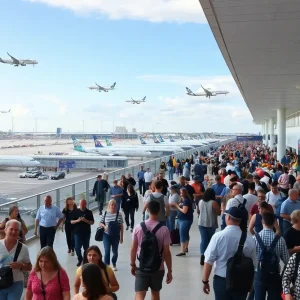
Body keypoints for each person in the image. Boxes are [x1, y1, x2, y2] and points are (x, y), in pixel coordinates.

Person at [202, 207, 257, 300]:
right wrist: (251, 284)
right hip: (242, 281)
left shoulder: (218, 237)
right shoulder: (250, 239)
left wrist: (205, 281)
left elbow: (209, 261)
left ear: (228, 218)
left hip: (222, 280)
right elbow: (254, 264)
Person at [130, 200, 173, 300]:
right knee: (155, 293)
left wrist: (132, 264)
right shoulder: (164, 229)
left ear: (148, 210)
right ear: (159, 211)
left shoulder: (138, 228)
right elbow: (167, 253)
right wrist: (169, 270)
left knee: (140, 294)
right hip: (158, 267)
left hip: (142, 266)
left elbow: (133, 248)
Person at [253, 212, 289, 300]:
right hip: (274, 275)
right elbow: (287, 261)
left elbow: (251, 259)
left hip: (259, 274)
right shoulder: (280, 240)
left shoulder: (255, 238)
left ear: (262, 222)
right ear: (274, 223)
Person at [0, 220, 32, 300]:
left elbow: (29, 267)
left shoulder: (23, 248)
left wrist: (21, 266)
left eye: (16, 230)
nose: (14, 232)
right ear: (5, 230)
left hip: (16, 283)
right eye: (11, 229)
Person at [197, 188, 221, 265]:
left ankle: (202, 255)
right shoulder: (213, 203)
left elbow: (198, 211)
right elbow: (219, 212)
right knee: (210, 240)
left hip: (201, 223)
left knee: (203, 240)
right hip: (211, 223)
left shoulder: (200, 201)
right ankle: (209, 256)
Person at [99, 200, 124, 271]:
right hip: (106, 235)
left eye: (114, 205)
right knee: (107, 250)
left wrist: (121, 237)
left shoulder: (119, 214)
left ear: (116, 206)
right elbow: (100, 223)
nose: (113, 206)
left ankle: (114, 263)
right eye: (111, 205)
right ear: (109, 206)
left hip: (116, 236)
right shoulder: (105, 213)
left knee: (115, 252)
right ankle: (106, 265)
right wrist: (104, 226)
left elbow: (121, 226)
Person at [71, 199, 94, 266]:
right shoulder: (75, 212)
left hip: (86, 233)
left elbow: (92, 222)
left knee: (86, 248)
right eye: (81, 204)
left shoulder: (89, 212)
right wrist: (78, 220)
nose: (82, 205)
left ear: (85, 204)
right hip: (77, 233)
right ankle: (80, 259)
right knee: (77, 247)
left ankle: (85, 260)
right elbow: (71, 221)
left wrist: (86, 220)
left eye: (83, 204)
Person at [171, 188, 194, 256]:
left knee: (182, 234)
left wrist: (177, 206)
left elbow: (184, 211)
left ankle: (182, 251)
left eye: (182, 192)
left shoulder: (186, 200)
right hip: (182, 219)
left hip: (185, 219)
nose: (181, 194)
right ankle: (186, 247)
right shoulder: (183, 200)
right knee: (185, 233)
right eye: (180, 192)